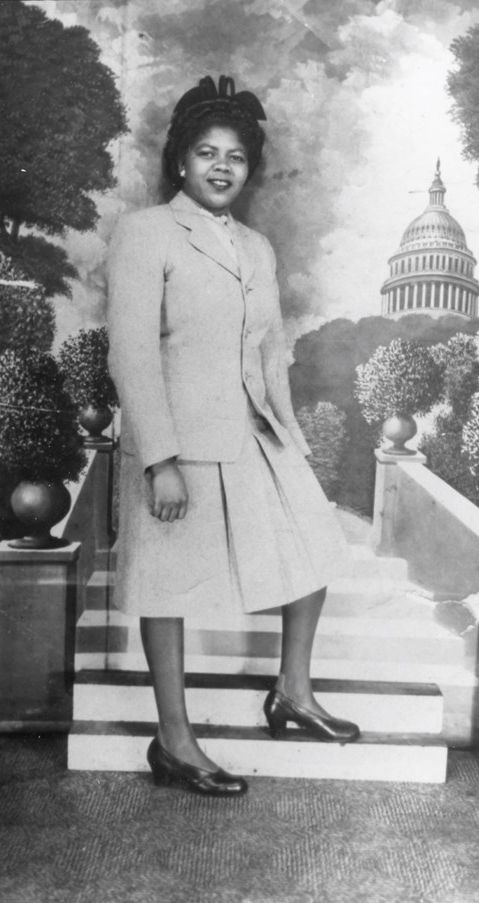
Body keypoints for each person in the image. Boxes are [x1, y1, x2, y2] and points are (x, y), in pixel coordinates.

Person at [106, 75, 359, 798]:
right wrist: (159, 460)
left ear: (249, 169)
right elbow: (131, 353)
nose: (222, 167)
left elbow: (269, 345)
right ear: (180, 162)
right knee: (166, 585)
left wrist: (289, 434)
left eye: (237, 157)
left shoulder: (256, 245)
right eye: (207, 153)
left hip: (256, 430)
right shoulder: (147, 232)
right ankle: (175, 741)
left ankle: (292, 694)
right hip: (179, 442)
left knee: (314, 548)